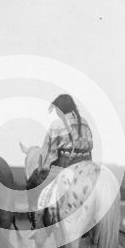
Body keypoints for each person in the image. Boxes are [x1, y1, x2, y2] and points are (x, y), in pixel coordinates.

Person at [28, 94, 93, 227]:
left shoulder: (57, 124)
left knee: (33, 182)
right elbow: (91, 145)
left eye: (57, 109)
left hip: (65, 164)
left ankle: (38, 222)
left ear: (60, 109)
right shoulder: (85, 122)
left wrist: (43, 167)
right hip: (86, 165)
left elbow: (47, 150)